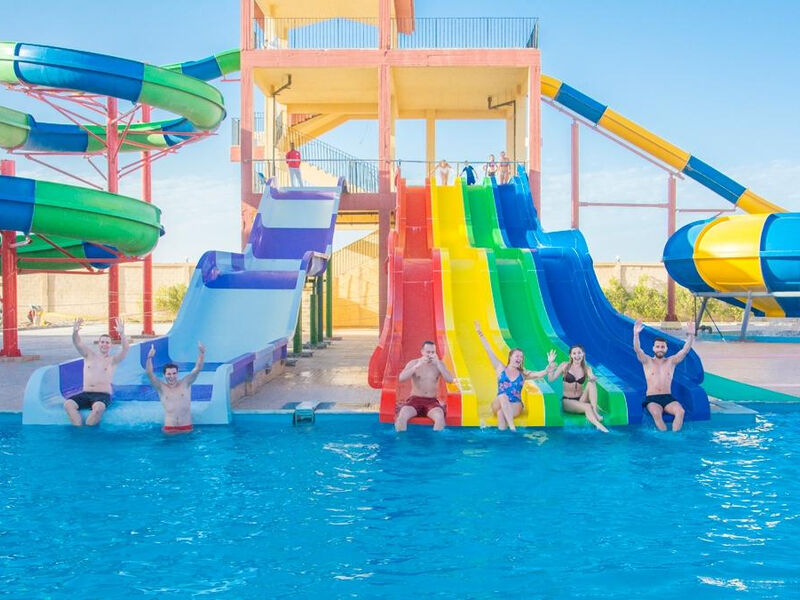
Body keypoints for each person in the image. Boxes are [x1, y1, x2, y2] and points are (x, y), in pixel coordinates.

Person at [475, 322, 556, 431]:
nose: (520, 358)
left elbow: (539, 374)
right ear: (510, 357)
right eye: (517, 356)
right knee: (502, 396)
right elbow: (489, 350)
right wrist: (480, 333)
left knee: (501, 414)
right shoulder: (500, 368)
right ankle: (512, 428)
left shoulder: (523, 373)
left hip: (515, 404)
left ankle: (503, 438)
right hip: (499, 402)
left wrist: (549, 366)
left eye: (521, 357)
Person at [63, 317, 129, 426]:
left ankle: (88, 431)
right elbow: (77, 342)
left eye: (107, 342)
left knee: (98, 408)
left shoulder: (113, 360)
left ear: (111, 345)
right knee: (68, 404)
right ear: (98, 343)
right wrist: (75, 332)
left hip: (102, 395)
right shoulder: (88, 355)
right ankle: (79, 430)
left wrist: (122, 334)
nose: (104, 344)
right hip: (86, 393)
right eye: (102, 342)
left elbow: (125, 349)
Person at [633, 319, 694, 432]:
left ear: (666, 349)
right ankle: (664, 436)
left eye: (662, 347)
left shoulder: (671, 361)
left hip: (668, 397)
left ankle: (675, 436)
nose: (660, 349)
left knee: (680, 412)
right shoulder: (647, 361)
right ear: (653, 348)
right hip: (652, 398)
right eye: (658, 347)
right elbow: (637, 349)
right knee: (656, 413)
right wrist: (636, 334)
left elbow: (685, 351)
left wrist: (691, 335)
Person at [145, 342, 205, 434]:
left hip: (186, 427)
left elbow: (197, 369)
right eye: (169, 374)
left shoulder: (185, 383)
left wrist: (201, 353)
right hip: (169, 428)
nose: (172, 376)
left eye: (174, 373)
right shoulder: (161, 387)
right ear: (164, 375)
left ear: (177, 373)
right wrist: (149, 358)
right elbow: (149, 374)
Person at [395, 340, 455, 432]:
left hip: (431, 401)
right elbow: (401, 378)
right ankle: (401, 439)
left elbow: (450, 380)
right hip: (415, 400)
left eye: (433, 352)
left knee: (439, 417)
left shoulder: (439, 364)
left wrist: (439, 364)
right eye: (428, 352)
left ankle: (437, 440)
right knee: (402, 416)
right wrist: (416, 367)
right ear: (422, 352)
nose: (430, 355)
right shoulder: (414, 363)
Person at [549, 344, 609, 433]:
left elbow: (591, 376)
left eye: (579, 353)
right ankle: (599, 425)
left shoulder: (587, 368)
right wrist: (550, 364)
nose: (577, 355)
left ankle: (595, 411)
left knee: (591, 383)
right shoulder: (564, 366)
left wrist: (592, 377)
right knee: (587, 406)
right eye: (574, 353)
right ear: (570, 355)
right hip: (568, 401)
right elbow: (551, 379)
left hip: (581, 399)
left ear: (583, 354)